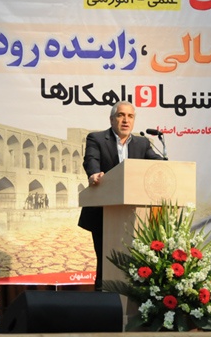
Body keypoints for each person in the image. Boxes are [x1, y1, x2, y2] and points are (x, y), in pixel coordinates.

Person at [78, 101, 164, 290]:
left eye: (130, 116)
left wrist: (166, 167)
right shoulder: (97, 138)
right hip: (103, 212)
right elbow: (91, 159)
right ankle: (102, 301)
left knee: (136, 263)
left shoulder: (142, 143)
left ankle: (134, 300)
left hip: (136, 216)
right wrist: (94, 174)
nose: (126, 120)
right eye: (121, 115)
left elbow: (155, 164)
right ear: (112, 119)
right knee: (105, 261)